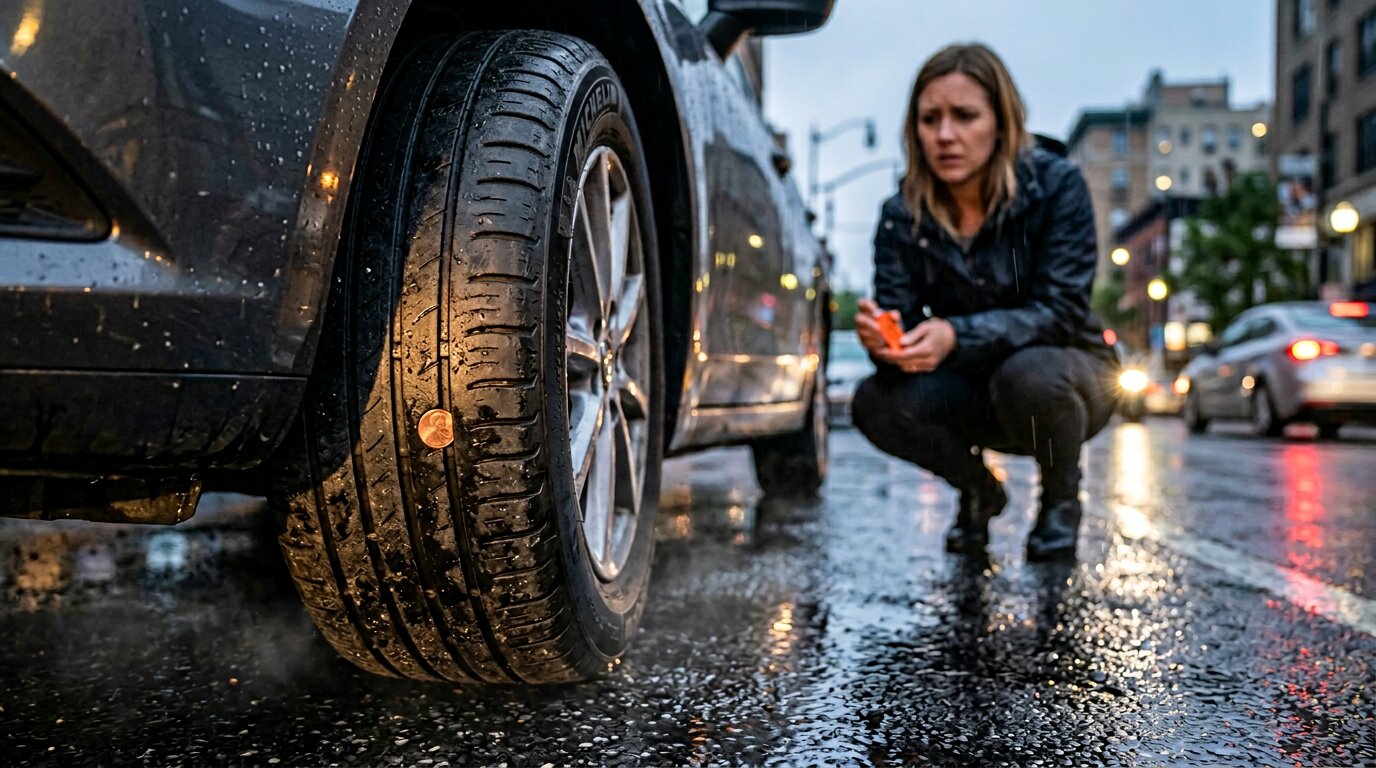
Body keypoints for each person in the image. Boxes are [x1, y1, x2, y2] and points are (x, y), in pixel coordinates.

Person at [850, 42, 1118, 560]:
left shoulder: (1056, 186)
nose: (945, 135)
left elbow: (1061, 311)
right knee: (874, 402)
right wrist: (886, 341)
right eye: (930, 119)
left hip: (1063, 377)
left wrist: (956, 335)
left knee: (1028, 375)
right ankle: (978, 490)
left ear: (1000, 122)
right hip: (970, 384)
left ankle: (1060, 501)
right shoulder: (901, 215)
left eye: (965, 116)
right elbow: (902, 331)